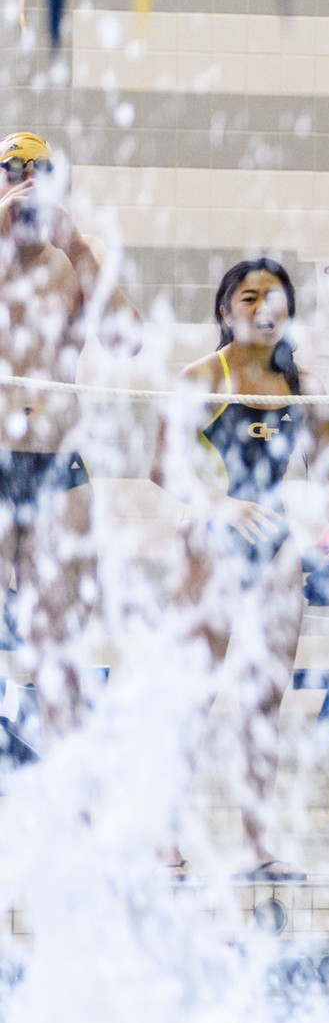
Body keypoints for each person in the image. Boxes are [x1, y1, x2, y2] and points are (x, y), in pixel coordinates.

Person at [161, 258, 329, 879]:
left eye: (274, 299)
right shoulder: (201, 378)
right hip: (209, 539)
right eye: (249, 298)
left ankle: (255, 845)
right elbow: (161, 467)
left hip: (273, 545)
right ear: (226, 311)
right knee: (194, 693)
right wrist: (218, 505)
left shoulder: (303, 387)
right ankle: (163, 837)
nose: (263, 309)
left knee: (264, 701)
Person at [1, 134, 110, 655]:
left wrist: (79, 246)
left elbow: (127, 338)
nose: (26, 180)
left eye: (39, 170)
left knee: (61, 632)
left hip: (57, 459)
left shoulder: (77, 257)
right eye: (13, 168)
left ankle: (60, 733)